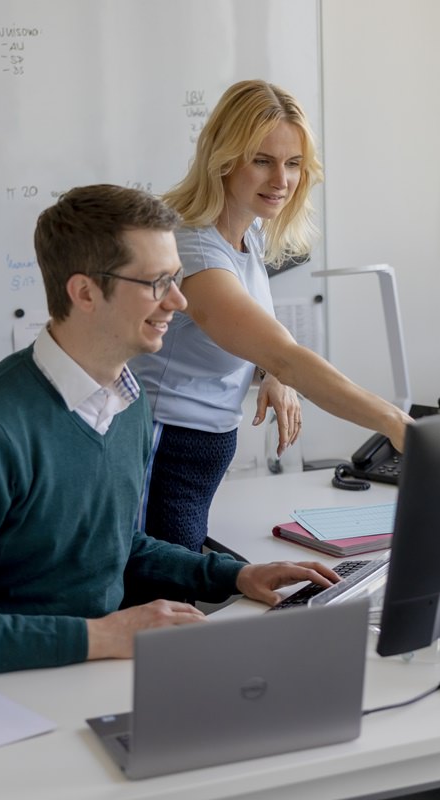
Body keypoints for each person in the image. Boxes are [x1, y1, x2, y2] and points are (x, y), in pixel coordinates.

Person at [0, 184, 338, 679]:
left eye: (177, 279)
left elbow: (118, 544)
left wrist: (235, 575)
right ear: (85, 293)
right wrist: (102, 635)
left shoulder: (128, 402)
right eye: (157, 283)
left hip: (93, 671)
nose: (179, 302)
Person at [132, 79, 411, 552]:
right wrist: (396, 424)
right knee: (166, 609)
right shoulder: (195, 248)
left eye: (294, 164)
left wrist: (271, 372)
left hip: (199, 454)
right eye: (262, 161)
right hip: (163, 453)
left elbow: (248, 334)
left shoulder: (247, 234)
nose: (281, 180)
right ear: (224, 158)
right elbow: (282, 350)